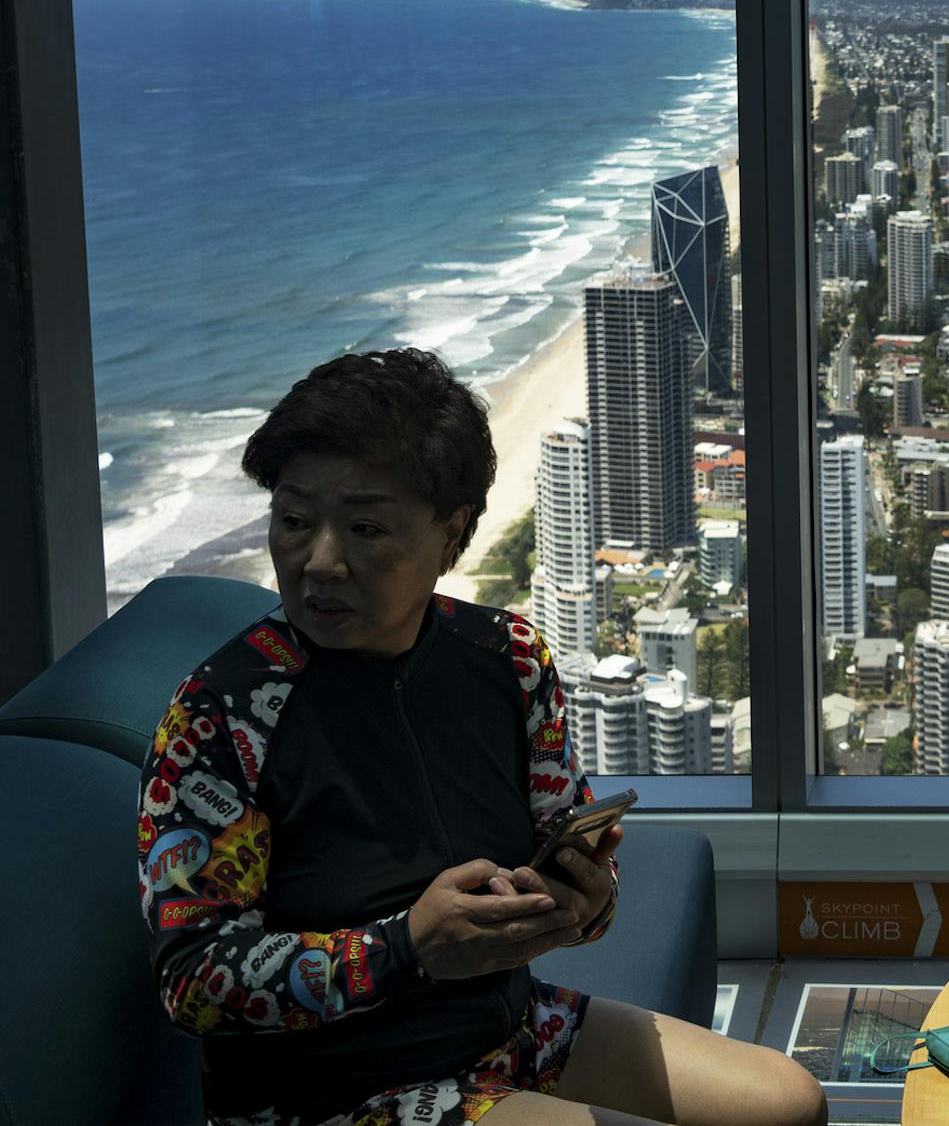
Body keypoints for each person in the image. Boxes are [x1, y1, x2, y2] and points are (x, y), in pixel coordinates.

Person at [138, 349, 826, 1126]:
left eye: (364, 528)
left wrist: (583, 901)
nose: (319, 562)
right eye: (294, 521)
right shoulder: (221, 715)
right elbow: (191, 982)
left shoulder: (511, 660)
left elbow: (568, 858)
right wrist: (406, 948)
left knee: (789, 1103)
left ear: (452, 532)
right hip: (325, 1094)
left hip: (507, 1028)